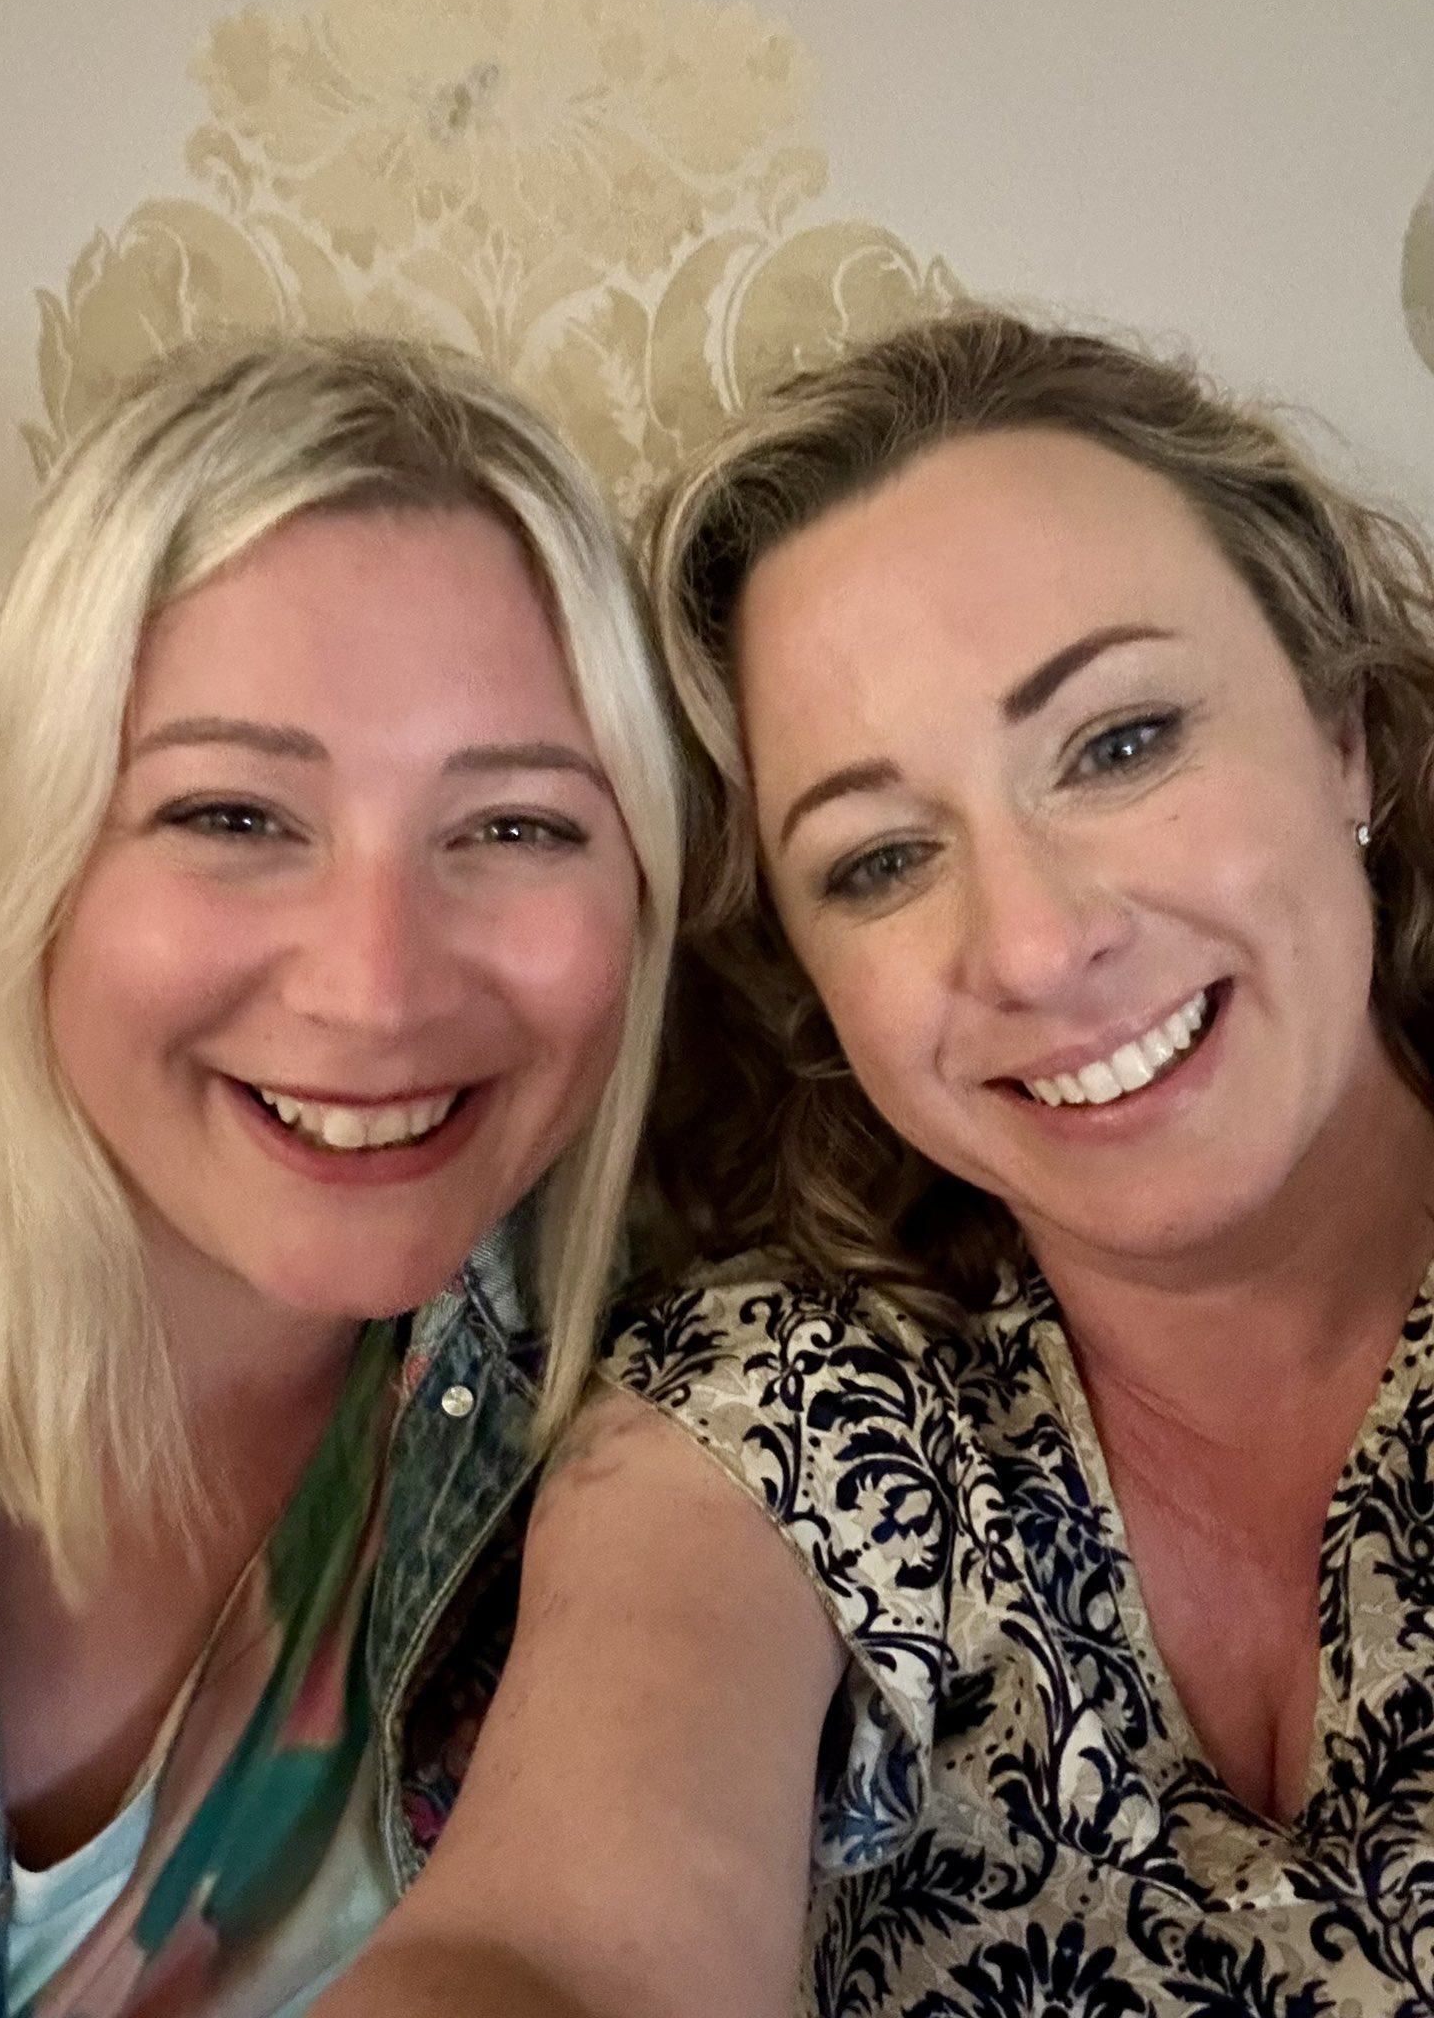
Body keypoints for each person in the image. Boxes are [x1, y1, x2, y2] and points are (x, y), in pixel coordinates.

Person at [318, 309, 1434, 2018]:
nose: (1039, 946)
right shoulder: (784, 1401)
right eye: (881, 860)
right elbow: (544, 1946)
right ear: (809, 976)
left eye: (1120, 744)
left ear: (1340, 727)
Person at [0, 330, 681, 2018]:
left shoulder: (708, 1428)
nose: (376, 990)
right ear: (30, 857)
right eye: (234, 818)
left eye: (515, 828)